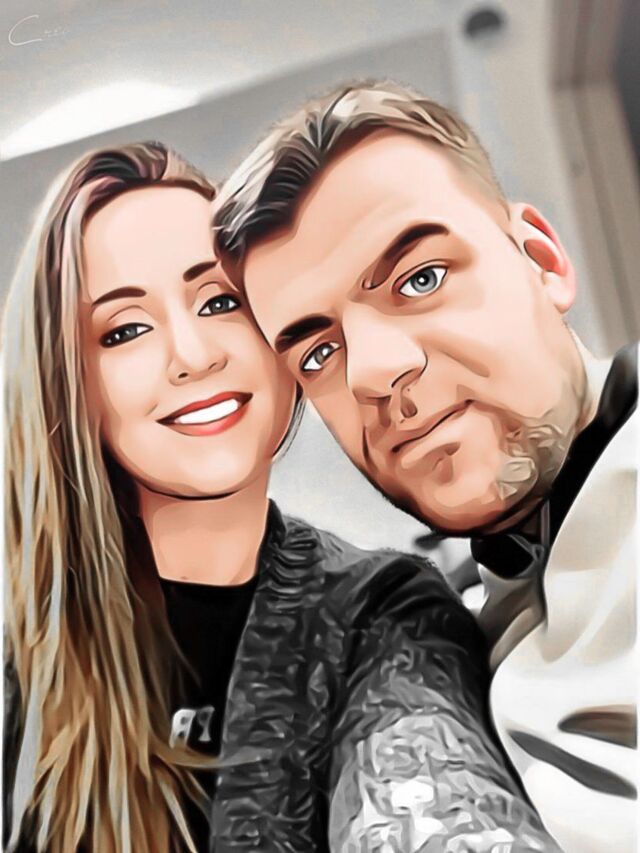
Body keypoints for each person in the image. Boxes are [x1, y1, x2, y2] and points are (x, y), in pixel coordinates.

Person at [2, 141, 559, 853]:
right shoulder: (21, 645)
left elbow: (431, 796)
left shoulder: (382, 612)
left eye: (219, 302)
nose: (194, 354)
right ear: (68, 387)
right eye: (126, 329)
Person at [213, 81, 638, 852]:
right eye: (320, 351)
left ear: (541, 260)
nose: (373, 372)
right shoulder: (427, 617)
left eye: (421, 278)